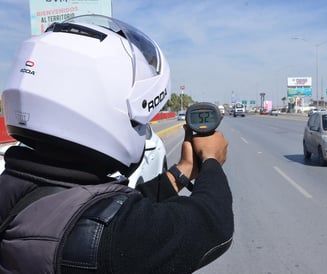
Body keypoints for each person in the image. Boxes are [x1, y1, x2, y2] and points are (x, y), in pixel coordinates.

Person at [0, 15, 233, 274]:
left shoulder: (15, 186)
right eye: (140, 122)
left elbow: (96, 204)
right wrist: (212, 161)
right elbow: (213, 223)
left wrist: (183, 171)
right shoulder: (114, 237)